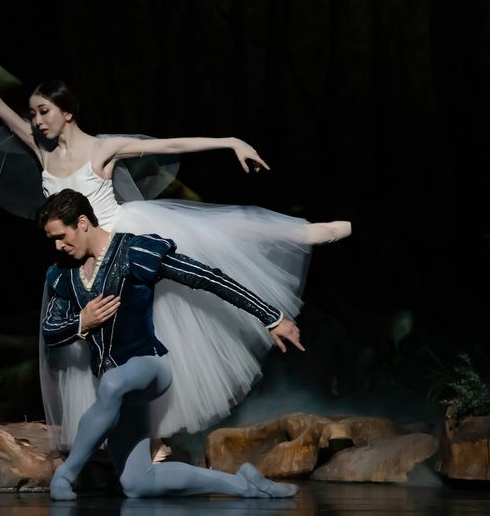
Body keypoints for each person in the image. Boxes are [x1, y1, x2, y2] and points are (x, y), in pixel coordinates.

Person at [0, 52, 350, 448]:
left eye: (43, 112)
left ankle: (313, 232)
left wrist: (230, 141)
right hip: (84, 261)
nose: (35, 121)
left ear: (67, 112)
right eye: (33, 113)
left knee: (219, 243)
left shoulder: (102, 148)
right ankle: (146, 440)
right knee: (103, 342)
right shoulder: (41, 151)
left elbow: (171, 144)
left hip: (123, 240)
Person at [38, 189, 301, 500]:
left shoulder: (135, 250)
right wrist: (82, 322)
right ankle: (244, 485)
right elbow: (50, 330)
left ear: (82, 222)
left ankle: (65, 475)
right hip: (117, 390)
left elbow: (207, 277)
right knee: (138, 484)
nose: (57, 246)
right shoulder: (64, 275)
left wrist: (272, 317)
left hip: (149, 366)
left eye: (61, 235)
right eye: (52, 239)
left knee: (111, 384)